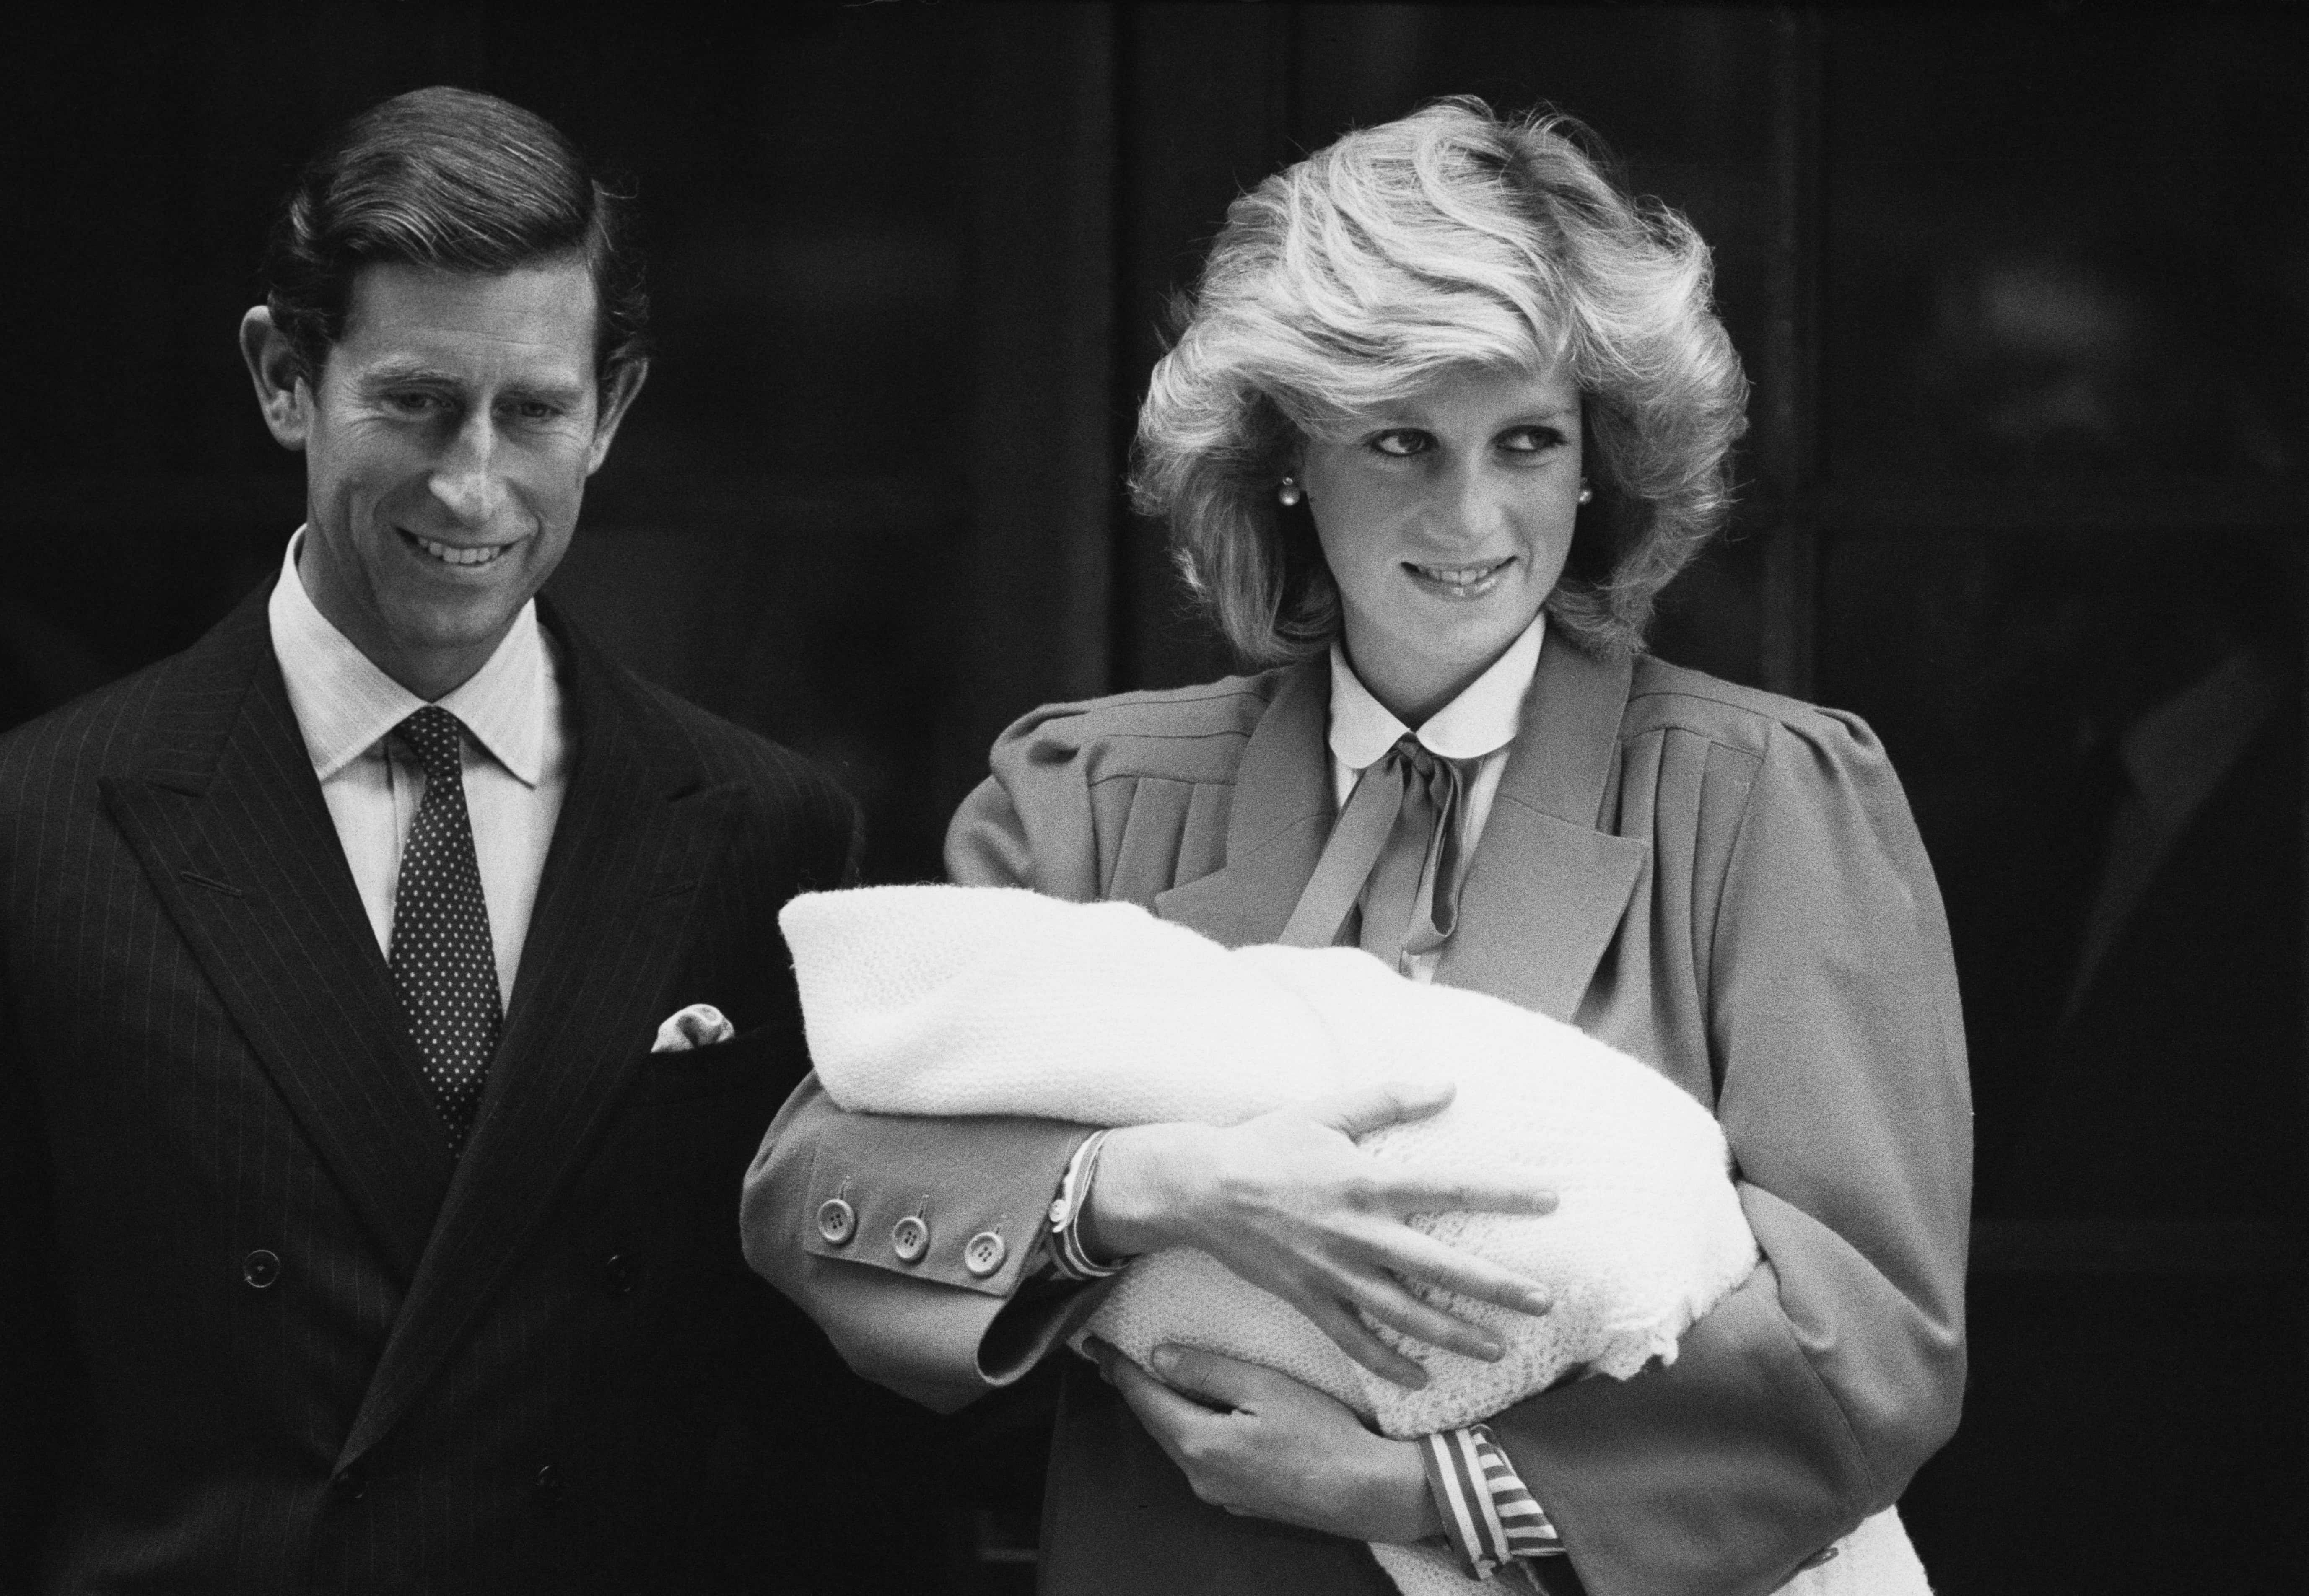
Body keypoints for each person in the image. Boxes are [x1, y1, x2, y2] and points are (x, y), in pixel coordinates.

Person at [746, 99, 1969, 1596]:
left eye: (1527, 441)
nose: (1471, 516)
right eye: (1401, 440)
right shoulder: (1091, 788)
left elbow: (1872, 1341)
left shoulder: (1766, 798)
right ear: (1282, 458)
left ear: (1599, 463)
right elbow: (819, 1183)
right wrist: (1156, 1188)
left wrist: (1413, 1486)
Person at [0, 86, 939, 1593]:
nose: (473, 485)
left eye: (535, 412)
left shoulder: (767, 833)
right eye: (417, 403)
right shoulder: (41, 828)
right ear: (282, 378)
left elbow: (814, 1421)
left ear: (613, 409)